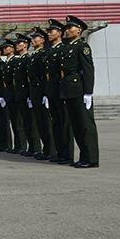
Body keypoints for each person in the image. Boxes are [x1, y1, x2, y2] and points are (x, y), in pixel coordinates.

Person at [61, 15, 99, 168]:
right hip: (70, 90)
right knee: (76, 125)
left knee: (85, 125)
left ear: (79, 30)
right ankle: (84, 157)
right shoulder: (69, 46)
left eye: (71, 27)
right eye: (67, 27)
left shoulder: (82, 46)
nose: (68, 30)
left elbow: (88, 70)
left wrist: (88, 92)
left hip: (80, 90)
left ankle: (91, 159)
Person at [45, 19, 75, 165]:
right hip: (52, 91)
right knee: (56, 123)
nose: (49, 34)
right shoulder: (50, 50)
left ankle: (68, 154)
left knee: (65, 123)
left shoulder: (63, 49)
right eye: (49, 31)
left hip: (61, 90)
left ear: (60, 33)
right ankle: (60, 152)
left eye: (52, 31)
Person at [28, 27, 56, 160]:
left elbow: (45, 76)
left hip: (42, 91)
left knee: (46, 122)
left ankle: (51, 150)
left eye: (35, 38)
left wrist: (46, 93)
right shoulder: (34, 55)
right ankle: (46, 149)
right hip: (35, 92)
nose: (32, 40)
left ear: (43, 39)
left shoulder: (44, 53)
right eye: (32, 38)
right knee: (40, 122)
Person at [13, 34, 41, 156]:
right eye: (17, 44)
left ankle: (36, 147)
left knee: (31, 122)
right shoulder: (20, 60)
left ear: (25, 45)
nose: (17, 46)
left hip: (27, 93)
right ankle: (31, 147)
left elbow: (29, 78)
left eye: (19, 44)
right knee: (26, 122)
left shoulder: (27, 58)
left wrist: (30, 94)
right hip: (20, 93)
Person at [1, 40, 26, 154]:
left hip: (16, 93)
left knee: (19, 122)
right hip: (10, 95)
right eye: (4, 48)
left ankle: (21, 145)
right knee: (14, 122)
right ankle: (17, 146)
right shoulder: (7, 62)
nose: (5, 50)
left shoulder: (15, 61)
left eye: (7, 48)